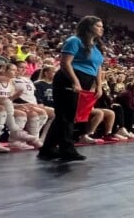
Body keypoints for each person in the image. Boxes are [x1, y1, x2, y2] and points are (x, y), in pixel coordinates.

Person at [39, 16, 105, 162]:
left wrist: (98, 85)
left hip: (86, 80)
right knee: (66, 116)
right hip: (69, 79)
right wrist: (75, 81)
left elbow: (98, 67)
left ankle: (47, 149)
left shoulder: (96, 46)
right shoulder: (74, 40)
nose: (102, 29)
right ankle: (67, 149)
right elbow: (65, 63)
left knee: (67, 116)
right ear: (88, 27)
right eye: (98, 26)